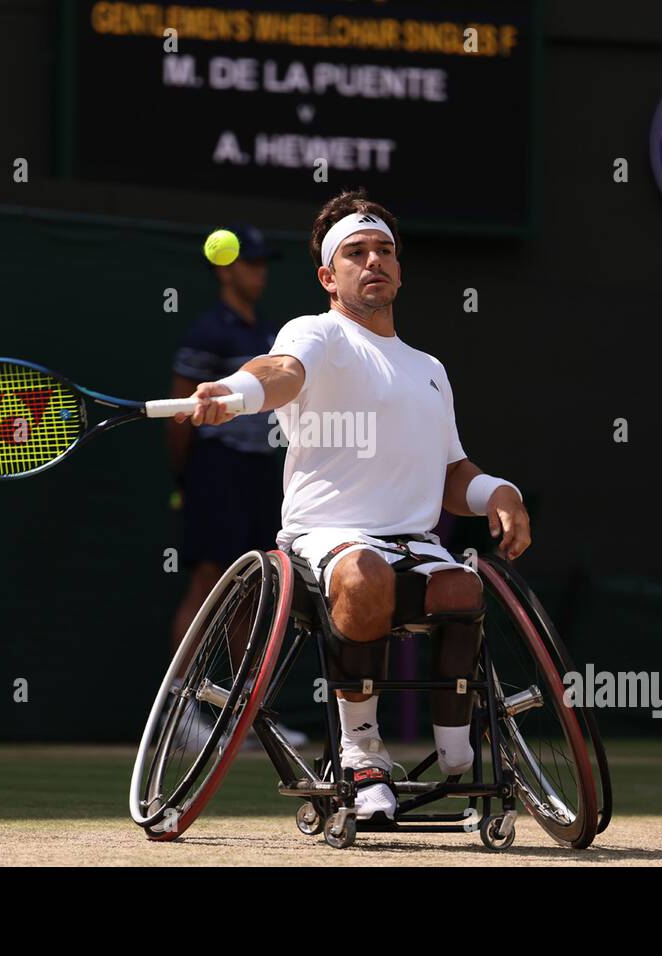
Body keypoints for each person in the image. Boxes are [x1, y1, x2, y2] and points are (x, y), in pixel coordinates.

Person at [174, 191, 531, 821]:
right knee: (364, 574)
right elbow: (282, 371)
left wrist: (498, 491)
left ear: (399, 267)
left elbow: (452, 472)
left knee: (462, 588)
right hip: (326, 540)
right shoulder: (317, 332)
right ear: (327, 276)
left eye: (385, 251)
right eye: (356, 252)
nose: (374, 261)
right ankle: (362, 750)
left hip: (415, 544)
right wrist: (235, 393)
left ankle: (455, 754)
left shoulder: (430, 368)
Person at [166, 223, 307, 748]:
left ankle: (244, 713)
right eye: (250, 262)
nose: (259, 272)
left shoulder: (266, 334)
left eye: (263, 262)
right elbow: (180, 414)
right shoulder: (209, 332)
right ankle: (180, 712)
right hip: (214, 468)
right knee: (208, 580)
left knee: (253, 588)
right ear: (226, 268)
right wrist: (186, 478)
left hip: (258, 471)